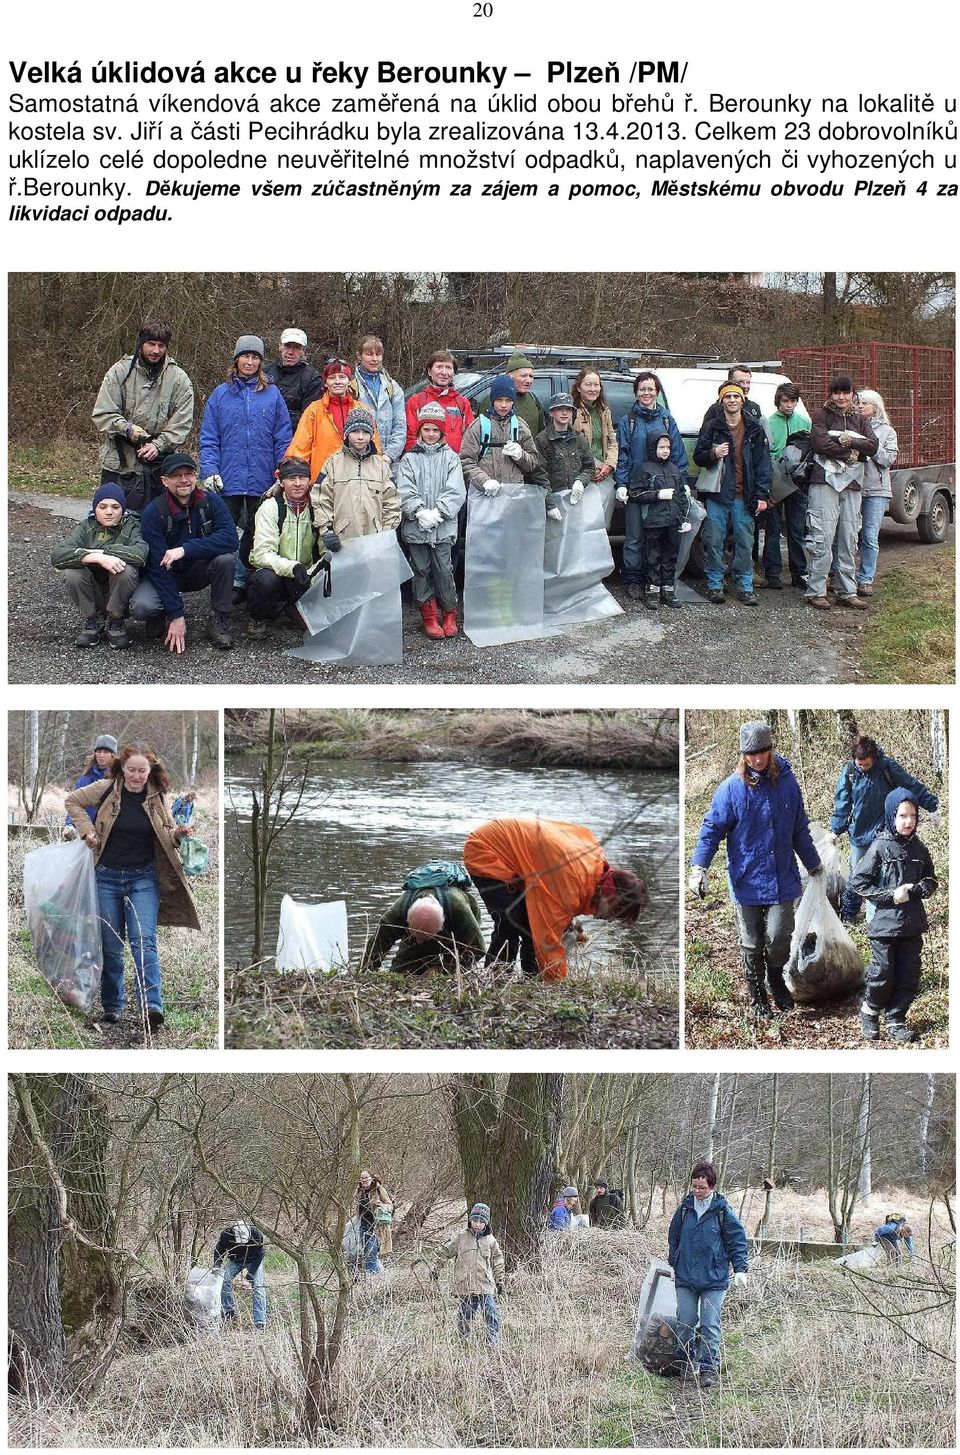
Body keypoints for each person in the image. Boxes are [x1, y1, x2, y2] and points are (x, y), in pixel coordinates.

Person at [689, 720, 822, 1018]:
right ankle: (757, 995)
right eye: (751, 754)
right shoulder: (731, 789)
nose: (758, 759)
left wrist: (813, 864)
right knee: (751, 943)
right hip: (746, 878)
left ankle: (775, 980)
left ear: (771, 749)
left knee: (778, 938)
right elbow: (711, 829)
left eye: (762, 752)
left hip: (782, 877)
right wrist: (699, 866)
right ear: (743, 755)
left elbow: (799, 827)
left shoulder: (788, 782)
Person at [63, 743, 200, 1030]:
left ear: (150, 770)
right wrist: (87, 831)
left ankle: (151, 1006)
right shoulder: (105, 788)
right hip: (106, 877)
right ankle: (112, 1006)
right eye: (131, 770)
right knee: (111, 945)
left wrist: (179, 833)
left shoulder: (156, 796)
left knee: (144, 942)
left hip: (143, 878)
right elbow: (72, 801)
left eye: (142, 770)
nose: (137, 776)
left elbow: (167, 831)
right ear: (122, 769)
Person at [463, 817, 647, 982]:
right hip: (487, 849)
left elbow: (560, 901)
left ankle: (532, 981)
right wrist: (556, 984)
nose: (609, 919)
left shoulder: (593, 870)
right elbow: (547, 940)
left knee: (529, 926)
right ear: (612, 897)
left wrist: (568, 926)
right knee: (510, 923)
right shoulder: (571, 882)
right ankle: (495, 980)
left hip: (511, 850)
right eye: (615, 913)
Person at [198, 335, 293, 596]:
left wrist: (280, 474)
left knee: (255, 532)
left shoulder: (272, 394)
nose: (249, 362)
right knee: (225, 532)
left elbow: (283, 437)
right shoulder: (220, 394)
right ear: (236, 359)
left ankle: (245, 582)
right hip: (227, 478)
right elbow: (209, 437)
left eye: (255, 357)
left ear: (261, 363)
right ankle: (224, 581)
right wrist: (209, 470)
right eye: (245, 356)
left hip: (262, 479)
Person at [848, 787, 937, 1043]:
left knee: (909, 974)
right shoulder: (880, 847)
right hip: (885, 927)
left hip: (912, 925)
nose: (908, 821)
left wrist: (922, 888)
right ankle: (870, 1012)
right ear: (891, 816)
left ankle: (896, 1019)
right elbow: (859, 882)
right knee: (882, 973)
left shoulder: (920, 849)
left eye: (912, 816)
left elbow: (931, 879)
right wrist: (890, 895)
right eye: (902, 816)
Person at [129, 452, 239, 652]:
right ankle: (159, 615)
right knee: (142, 606)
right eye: (176, 475)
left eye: (188, 474)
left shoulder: (211, 501)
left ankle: (219, 620)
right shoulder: (153, 512)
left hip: (197, 569)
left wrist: (185, 549)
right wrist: (176, 615)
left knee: (226, 559)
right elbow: (157, 566)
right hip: (163, 572)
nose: (183, 480)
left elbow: (231, 539)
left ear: (195, 476)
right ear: (164, 481)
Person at [829, 733, 939, 924]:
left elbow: (909, 784)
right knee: (857, 873)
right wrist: (836, 829)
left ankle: (881, 915)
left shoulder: (886, 767)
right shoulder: (850, 772)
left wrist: (931, 805)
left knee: (883, 874)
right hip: (859, 833)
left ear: (873, 757)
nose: (863, 767)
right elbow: (842, 802)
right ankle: (849, 914)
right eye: (859, 763)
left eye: (866, 764)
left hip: (883, 833)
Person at [91, 319, 194, 510]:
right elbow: (103, 413)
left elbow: (182, 423)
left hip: (159, 466)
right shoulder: (119, 372)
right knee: (111, 518)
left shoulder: (178, 379)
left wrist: (158, 445)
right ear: (141, 343)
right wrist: (128, 429)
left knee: (158, 523)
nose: (156, 351)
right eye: (151, 344)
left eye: (161, 345)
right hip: (120, 464)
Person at [668, 1162, 748, 1389]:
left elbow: (737, 1240)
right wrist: (674, 1259)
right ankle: (683, 1360)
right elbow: (673, 1236)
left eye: (701, 1187)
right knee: (685, 1320)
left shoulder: (722, 1211)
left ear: (711, 1186)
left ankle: (708, 1368)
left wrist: (740, 1268)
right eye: (694, 1186)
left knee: (710, 1324)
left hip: (714, 1279)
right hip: (685, 1276)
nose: (697, 1191)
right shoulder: (684, 1209)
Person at [693, 382, 773, 607]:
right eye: (727, 397)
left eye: (735, 396)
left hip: (744, 496)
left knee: (745, 542)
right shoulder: (712, 427)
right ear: (721, 401)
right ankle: (715, 583)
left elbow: (763, 465)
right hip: (718, 495)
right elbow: (698, 457)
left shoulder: (755, 428)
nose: (732, 400)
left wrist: (761, 495)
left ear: (742, 400)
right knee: (714, 540)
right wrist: (713, 453)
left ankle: (744, 585)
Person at [805, 374, 878, 611]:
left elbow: (872, 445)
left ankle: (848, 590)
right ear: (831, 394)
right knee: (822, 537)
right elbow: (820, 443)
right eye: (837, 393)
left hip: (852, 484)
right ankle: (817, 590)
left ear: (852, 394)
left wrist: (850, 441)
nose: (841, 397)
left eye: (846, 393)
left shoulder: (861, 418)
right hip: (824, 482)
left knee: (848, 537)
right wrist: (851, 452)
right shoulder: (821, 415)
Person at [246, 457, 339, 640]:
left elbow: (323, 550)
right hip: (276, 571)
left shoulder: (317, 506)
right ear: (281, 481)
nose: (297, 484)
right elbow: (262, 553)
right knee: (266, 581)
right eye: (291, 479)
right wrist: (293, 567)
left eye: (302, 478)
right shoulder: (271, 507)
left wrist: (319, 565)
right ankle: (259, 617)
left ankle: (294, 607)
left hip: (305, 574)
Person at [396, 401, 467, 640]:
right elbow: (404, 489)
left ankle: (449, 611)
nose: (430, 434)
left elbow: (456, 489)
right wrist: (418, 511)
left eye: (435, 430)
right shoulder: (409, 459)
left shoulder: (451, 458)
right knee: (421, 569)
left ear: (442, 432)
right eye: (426, 429)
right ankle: (428, 614)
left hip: (443, 526)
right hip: (417, 526)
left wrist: (439, 512)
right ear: (419, 430)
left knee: (444, 570)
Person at [615, 372, 688, 595]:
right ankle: (632, 579)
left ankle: (656, 581)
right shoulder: (629, 422)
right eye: (642, 389)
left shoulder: (667, 420)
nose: (646, 393)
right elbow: (623, 454)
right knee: (635, 535)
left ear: (657, 392)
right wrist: (622, 484)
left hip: (664, 489)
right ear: (636, 392)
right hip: (638, 489)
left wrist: (682, 482)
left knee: (660, 537)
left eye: (650, 389)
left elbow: (677, 454)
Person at [50, 481, 147, 649]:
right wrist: (91, 556)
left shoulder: (133, 526)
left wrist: (102, 553)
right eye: (103, 507)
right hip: (93, 588)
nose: (109, 512)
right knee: (71, 573)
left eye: (115, 507)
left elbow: (140, 554)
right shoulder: (85, 526)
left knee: (125, 569)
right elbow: (58, 555)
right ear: (95, 509)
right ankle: (93, 620)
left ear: (123, 509)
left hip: (118, 591)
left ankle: (116, 620)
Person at [461, 375, 559, 517]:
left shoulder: (519, 426)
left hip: (514, 500)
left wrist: (521, 456)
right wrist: (484, 481)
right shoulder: (479, 426)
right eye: (499, 400)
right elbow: (466, 461)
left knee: (512, 537)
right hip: (485, 499)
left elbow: (533, 463)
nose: (503, 405)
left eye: (508, 400)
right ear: (492, 400)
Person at [359, 874, 486, 975]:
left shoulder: (459, 910)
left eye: (424, 937)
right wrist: (361, 974)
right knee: (399, 973)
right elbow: (375, 948)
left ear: (440, 927)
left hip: (454, 935)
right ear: (408, 921)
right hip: (418, 933)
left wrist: (442, 969)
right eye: (416, 934)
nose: (419, 941)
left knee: (446, 975)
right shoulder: (396, 914)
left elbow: (477, 949)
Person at [315, 410, 401, 543]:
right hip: (342, 539)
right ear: (347, 434)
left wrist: (386, 533)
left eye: (365, 432)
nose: (360, 437)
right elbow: (321, 498)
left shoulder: (381, 466)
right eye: (355, 432)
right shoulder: (333, 463)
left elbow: (392, 502)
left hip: (374, 540)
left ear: (371, 435)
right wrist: (327, 531)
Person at [286, 359, 380, 481]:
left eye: (342, 377)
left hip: (357, 481)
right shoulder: (314, 410)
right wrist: (286, 474)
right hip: (323, 480)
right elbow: (299, 448)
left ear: (349, 381)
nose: (337, 382)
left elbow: (375, 448)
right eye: (332, 378)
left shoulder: (362, 410)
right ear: (325, 383)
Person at [626, 430, 689, 610]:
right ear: (653, 448)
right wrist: (657, 495)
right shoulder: (645, 469)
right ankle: (652, 590)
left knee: (670, 556)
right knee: (652, 556)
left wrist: (683, 518)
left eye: (668, 447)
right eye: (661, 447)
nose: (665, 451)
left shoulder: (674, 469)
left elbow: (682, 496)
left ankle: (668, 590)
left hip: (673, 521)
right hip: (653, 521)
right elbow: (635, 493)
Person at [432, 1202, 504, 1346]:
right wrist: (436, 1268)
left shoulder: (490, 1240)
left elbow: (498, 1260)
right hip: (465, 1284)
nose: (477, 1224)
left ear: (486, 1222)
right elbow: (445, 1252)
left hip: (485, 1284)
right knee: (465, 1314)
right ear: (470, 1220)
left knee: (491, 1314)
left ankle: (492, 1341)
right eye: (475, 1220)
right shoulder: (461, 1237)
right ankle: (463, 1339)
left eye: (481, 1221)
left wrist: (500, 1280)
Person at [850, 388, 898, 597]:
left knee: (869, 537)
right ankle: (842, 576)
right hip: (852, 486)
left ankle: (865, 579)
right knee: (847, 534)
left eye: (865, 403)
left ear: (875, 407)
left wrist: (870, 446)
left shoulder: (888, 431)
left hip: (876, 490)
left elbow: (887, 460)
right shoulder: (849, 425)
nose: (860, 406)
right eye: (858, 402)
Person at [764, 382, 813, 590]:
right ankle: (773, 572)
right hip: (776, 479)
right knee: (772, 528)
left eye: (793, 401)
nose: (789, 405)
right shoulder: (768, 422)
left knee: (797, 528)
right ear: (778, 401)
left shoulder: (804, 422)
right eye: (785, 401)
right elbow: (765, 452)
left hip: (798, 481)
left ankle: (799, 572)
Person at [350, 334, 407, 475]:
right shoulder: (350, 386)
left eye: (378, 354)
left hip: (389, 463)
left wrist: (389, 455)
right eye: (369, 354)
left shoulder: (392, 387)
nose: (375, 359)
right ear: (359, 356)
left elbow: (400, 425)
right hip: (357, 460)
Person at [533, 392, 597, 511]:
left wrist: (581, 482)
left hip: (576, 501)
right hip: (553, 502)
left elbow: (590, 467)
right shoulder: (542, 440)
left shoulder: (579, 439)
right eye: (560, 409)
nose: (564, 413)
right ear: (552, 412)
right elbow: (539, 475)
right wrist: (550, 505)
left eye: (568, 409)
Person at [404, 351, 475, 454]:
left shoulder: (462, 403)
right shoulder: (416, 402)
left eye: (448, 368)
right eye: (439, 367)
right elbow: (410, 438)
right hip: (424, 464)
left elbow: (471, 438)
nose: (444, 372)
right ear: (429, 371)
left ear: (454, 373)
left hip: (455, 465)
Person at [265, 327, 324, 431]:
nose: (291, 352)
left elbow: (310, 417)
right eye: (287, 346)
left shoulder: (313, 379)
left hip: (295, 438)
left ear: (303, 351)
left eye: (297, 347)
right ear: (280, 346)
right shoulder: (265, 373)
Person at [572, 368, 618, 497]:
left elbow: (612, 441)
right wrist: (592, 468)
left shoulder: (604, 411)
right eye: (588, 384)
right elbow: (570, 447)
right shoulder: (571, 412)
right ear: (579, 388)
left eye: (596, 385)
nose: (593, 389)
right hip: (580, 477)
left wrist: (609, 465)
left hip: (604, 475)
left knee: (603, 516)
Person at [214, 1219, 267, 1329]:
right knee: (224, 1281)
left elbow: (259, 1256)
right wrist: (217, 1265)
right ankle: (229, 1311)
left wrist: (249, 1278)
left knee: (258, 1287)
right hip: (235, 1260)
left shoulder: (256, 1233)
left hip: (253, 1261)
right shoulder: (226, 1234)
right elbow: (220, 1250)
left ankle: (260, 1321)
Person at [476, 351, 545, 436]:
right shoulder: (491, 400)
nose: (529, 381)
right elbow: (481, 431)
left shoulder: (534, 400)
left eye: (531, 376)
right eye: (523, 376)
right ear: (509, 377)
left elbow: (541, 433)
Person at [64, 734, 118, 835]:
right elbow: (74, 803)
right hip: (89, 833)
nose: (101, 755)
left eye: (105, 752)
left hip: (111, 834)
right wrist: (70, 825)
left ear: (113, 755)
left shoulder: (119, 778)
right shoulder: (85, 779)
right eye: (99, 751)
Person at [357, 1169, 393, 1274]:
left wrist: (381, 1205)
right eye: (362, 1178)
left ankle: (371, 1277)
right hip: (363, 1225)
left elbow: (390, 1206)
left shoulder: (379, 1189)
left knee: (371, 1252)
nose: (364, 1180)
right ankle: (382, 1275)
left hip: (377, 1226)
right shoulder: (359, 1191)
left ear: (371, 1178)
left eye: (366, 1177)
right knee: (366, 1252)